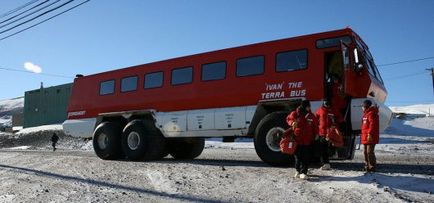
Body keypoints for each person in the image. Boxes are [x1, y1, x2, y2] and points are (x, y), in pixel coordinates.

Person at [287, 100, 318, 180]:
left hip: (307, 140)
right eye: (308, 106)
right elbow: (288, 119)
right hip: (297, 140)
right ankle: (297, 171)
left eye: (309, 106)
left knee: (306, 157)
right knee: (298, 156)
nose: (309, 108)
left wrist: (316, 135)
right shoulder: (295, 113)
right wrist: (292, 123)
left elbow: (315, 126)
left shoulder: (311, 115)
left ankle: (303, 172)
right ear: (304, 106)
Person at [315, 100, 342, 170]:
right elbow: (315, 118)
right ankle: (325, 163)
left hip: (330, 133)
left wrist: (335, 122)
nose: (328, 106)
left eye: (329, 105)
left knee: (328, 148)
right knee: (322, 149)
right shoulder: (320, 110)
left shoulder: (333, 110)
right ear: (324, 104)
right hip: (322, 133)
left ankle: (327, 162)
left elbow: (340, 118)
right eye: (326, 105)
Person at [361, 100, 379, 172]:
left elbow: (372, 125)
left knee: (369, 152)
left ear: (365, 106)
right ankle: (367, 166)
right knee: (365, 152)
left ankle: (372, 167)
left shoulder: (371, 114)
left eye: (362, 106)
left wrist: (370, 134)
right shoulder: (366, 114)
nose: (362, 108)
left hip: (370, 137)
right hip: (365, 136)